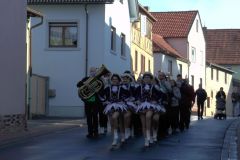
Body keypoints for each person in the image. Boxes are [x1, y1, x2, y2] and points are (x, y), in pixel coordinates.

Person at [102, 74, 127, 146]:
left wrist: (123, 100)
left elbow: (128, 95)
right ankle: (115, 139)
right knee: (112, 123)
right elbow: (102, 95)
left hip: (119, 105)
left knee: (116, 118)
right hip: (110, 105)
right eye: (113, 79)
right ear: (111, 80)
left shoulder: (122, 88)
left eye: (116, 79)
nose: (114, 80)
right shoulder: (108, 88)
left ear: (119, 80)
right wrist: (105, 100)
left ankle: (121, 136)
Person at [77, 67, 101, 138]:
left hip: (95, 101)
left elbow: (101, 89)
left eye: (94, 71)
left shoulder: (98, 80)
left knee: (95, 117)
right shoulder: (85, 79)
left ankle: (96, 132)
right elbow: (78, 85)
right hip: (87, 101)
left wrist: (95, 89)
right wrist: (84, 83)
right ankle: (90, 132)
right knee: (89, 117)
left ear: (96, 72)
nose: (92, 72)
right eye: (91, 71)